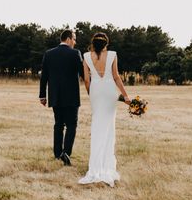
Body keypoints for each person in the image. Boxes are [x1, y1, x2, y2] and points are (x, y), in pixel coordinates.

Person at [78, 32, 131, 187]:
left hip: (96, 91)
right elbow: (116, 76)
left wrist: (91, 93)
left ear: (93, 43)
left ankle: (95, 166)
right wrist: (125, 96)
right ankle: (105, 165)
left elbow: (87, 80)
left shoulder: (86, 56)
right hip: (109, 91)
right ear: (106, 43)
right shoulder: (113, 55)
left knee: (97, 126)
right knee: (108, 127)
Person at [39, 29, 84, 165]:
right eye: (74, 39)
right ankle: (66, 153)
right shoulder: (75, 53)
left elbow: (44, 76)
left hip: (55, 96)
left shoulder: (49, 53)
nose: (75, 42)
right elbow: (83, 73)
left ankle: (57, 153)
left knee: (58, 124)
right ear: (69, 38)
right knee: (71, 125)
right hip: (71, 96)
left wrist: (42, 95)